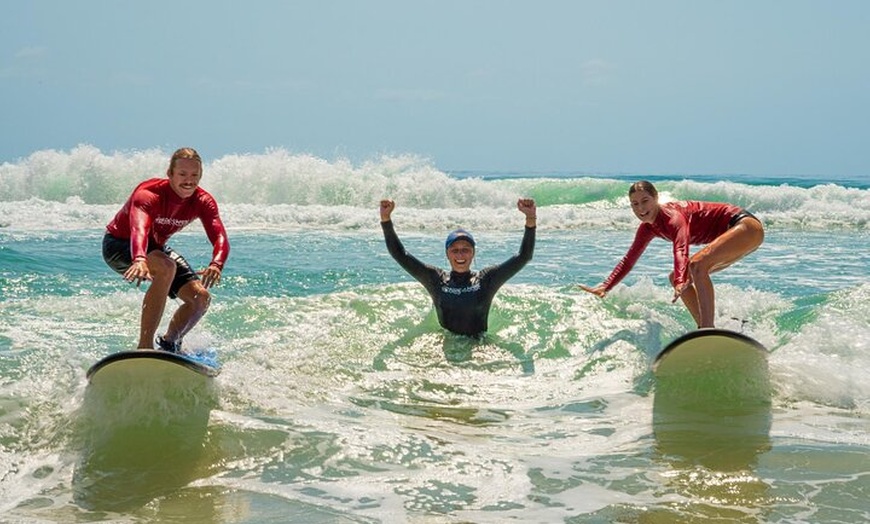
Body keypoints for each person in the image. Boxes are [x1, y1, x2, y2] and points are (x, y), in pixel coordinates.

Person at [579, 180, 763, 328]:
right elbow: (629, 259)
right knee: (675, 276)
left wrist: (681, 280)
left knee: (696, 266)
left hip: (745, 226)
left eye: (645, 201)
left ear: (656, 199)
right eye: (635, 204)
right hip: (736, 236)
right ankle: (714, 326)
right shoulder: (647, 229)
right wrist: (606, 286)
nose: (641, 209)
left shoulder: (672, 217)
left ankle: (707, 328)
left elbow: (681, 248)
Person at [102, 147, 230, 353]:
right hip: (120, 244)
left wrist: (216, 263)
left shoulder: (203, 201)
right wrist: (140, 258)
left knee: (200, 299)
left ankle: (170, 343)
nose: (188, 180)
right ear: (169, 174)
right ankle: (144, 347)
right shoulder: (148, 194)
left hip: (155, 248)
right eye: (182, 174)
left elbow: (220, 236)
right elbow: (139, 229)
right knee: (165, 266)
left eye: (194, 175)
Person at [379, 198, 537, 338]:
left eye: (465, 249)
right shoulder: (436, 279)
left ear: (473, 253)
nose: (460, 255)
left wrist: (530, 218)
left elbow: (524, 257)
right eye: (455, 250)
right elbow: (400, 255)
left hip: (479, 349)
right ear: (447, 254)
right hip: (447, 347)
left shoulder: (486, 279)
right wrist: (386, 219)